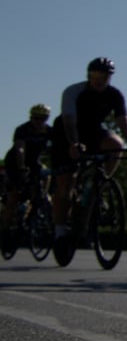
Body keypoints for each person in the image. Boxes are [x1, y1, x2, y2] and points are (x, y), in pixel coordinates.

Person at [50, 57, 127, 258]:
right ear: (89, 75)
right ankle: (60, 231)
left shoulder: (114, 94)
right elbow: (69, 120)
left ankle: (101, 184)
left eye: (105, 77)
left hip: (93, 132)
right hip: (66, 134)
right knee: (66, 185)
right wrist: (74, 144)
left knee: (116, 144)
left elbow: (123, 120)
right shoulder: (74, 91)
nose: (100, 80)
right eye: (96, 76)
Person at [2, 103, 53, 251]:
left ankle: (40, 200)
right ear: (31, 117)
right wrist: (21, 167)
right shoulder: (22, 129)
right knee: (14, 196)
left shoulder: (49, 131)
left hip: (34, 162)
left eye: (43, 118)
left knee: (45, 177)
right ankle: (5, 230)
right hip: (15, 162)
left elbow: (54, 149)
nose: (39, 121)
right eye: (36, 118)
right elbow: (20, 148)